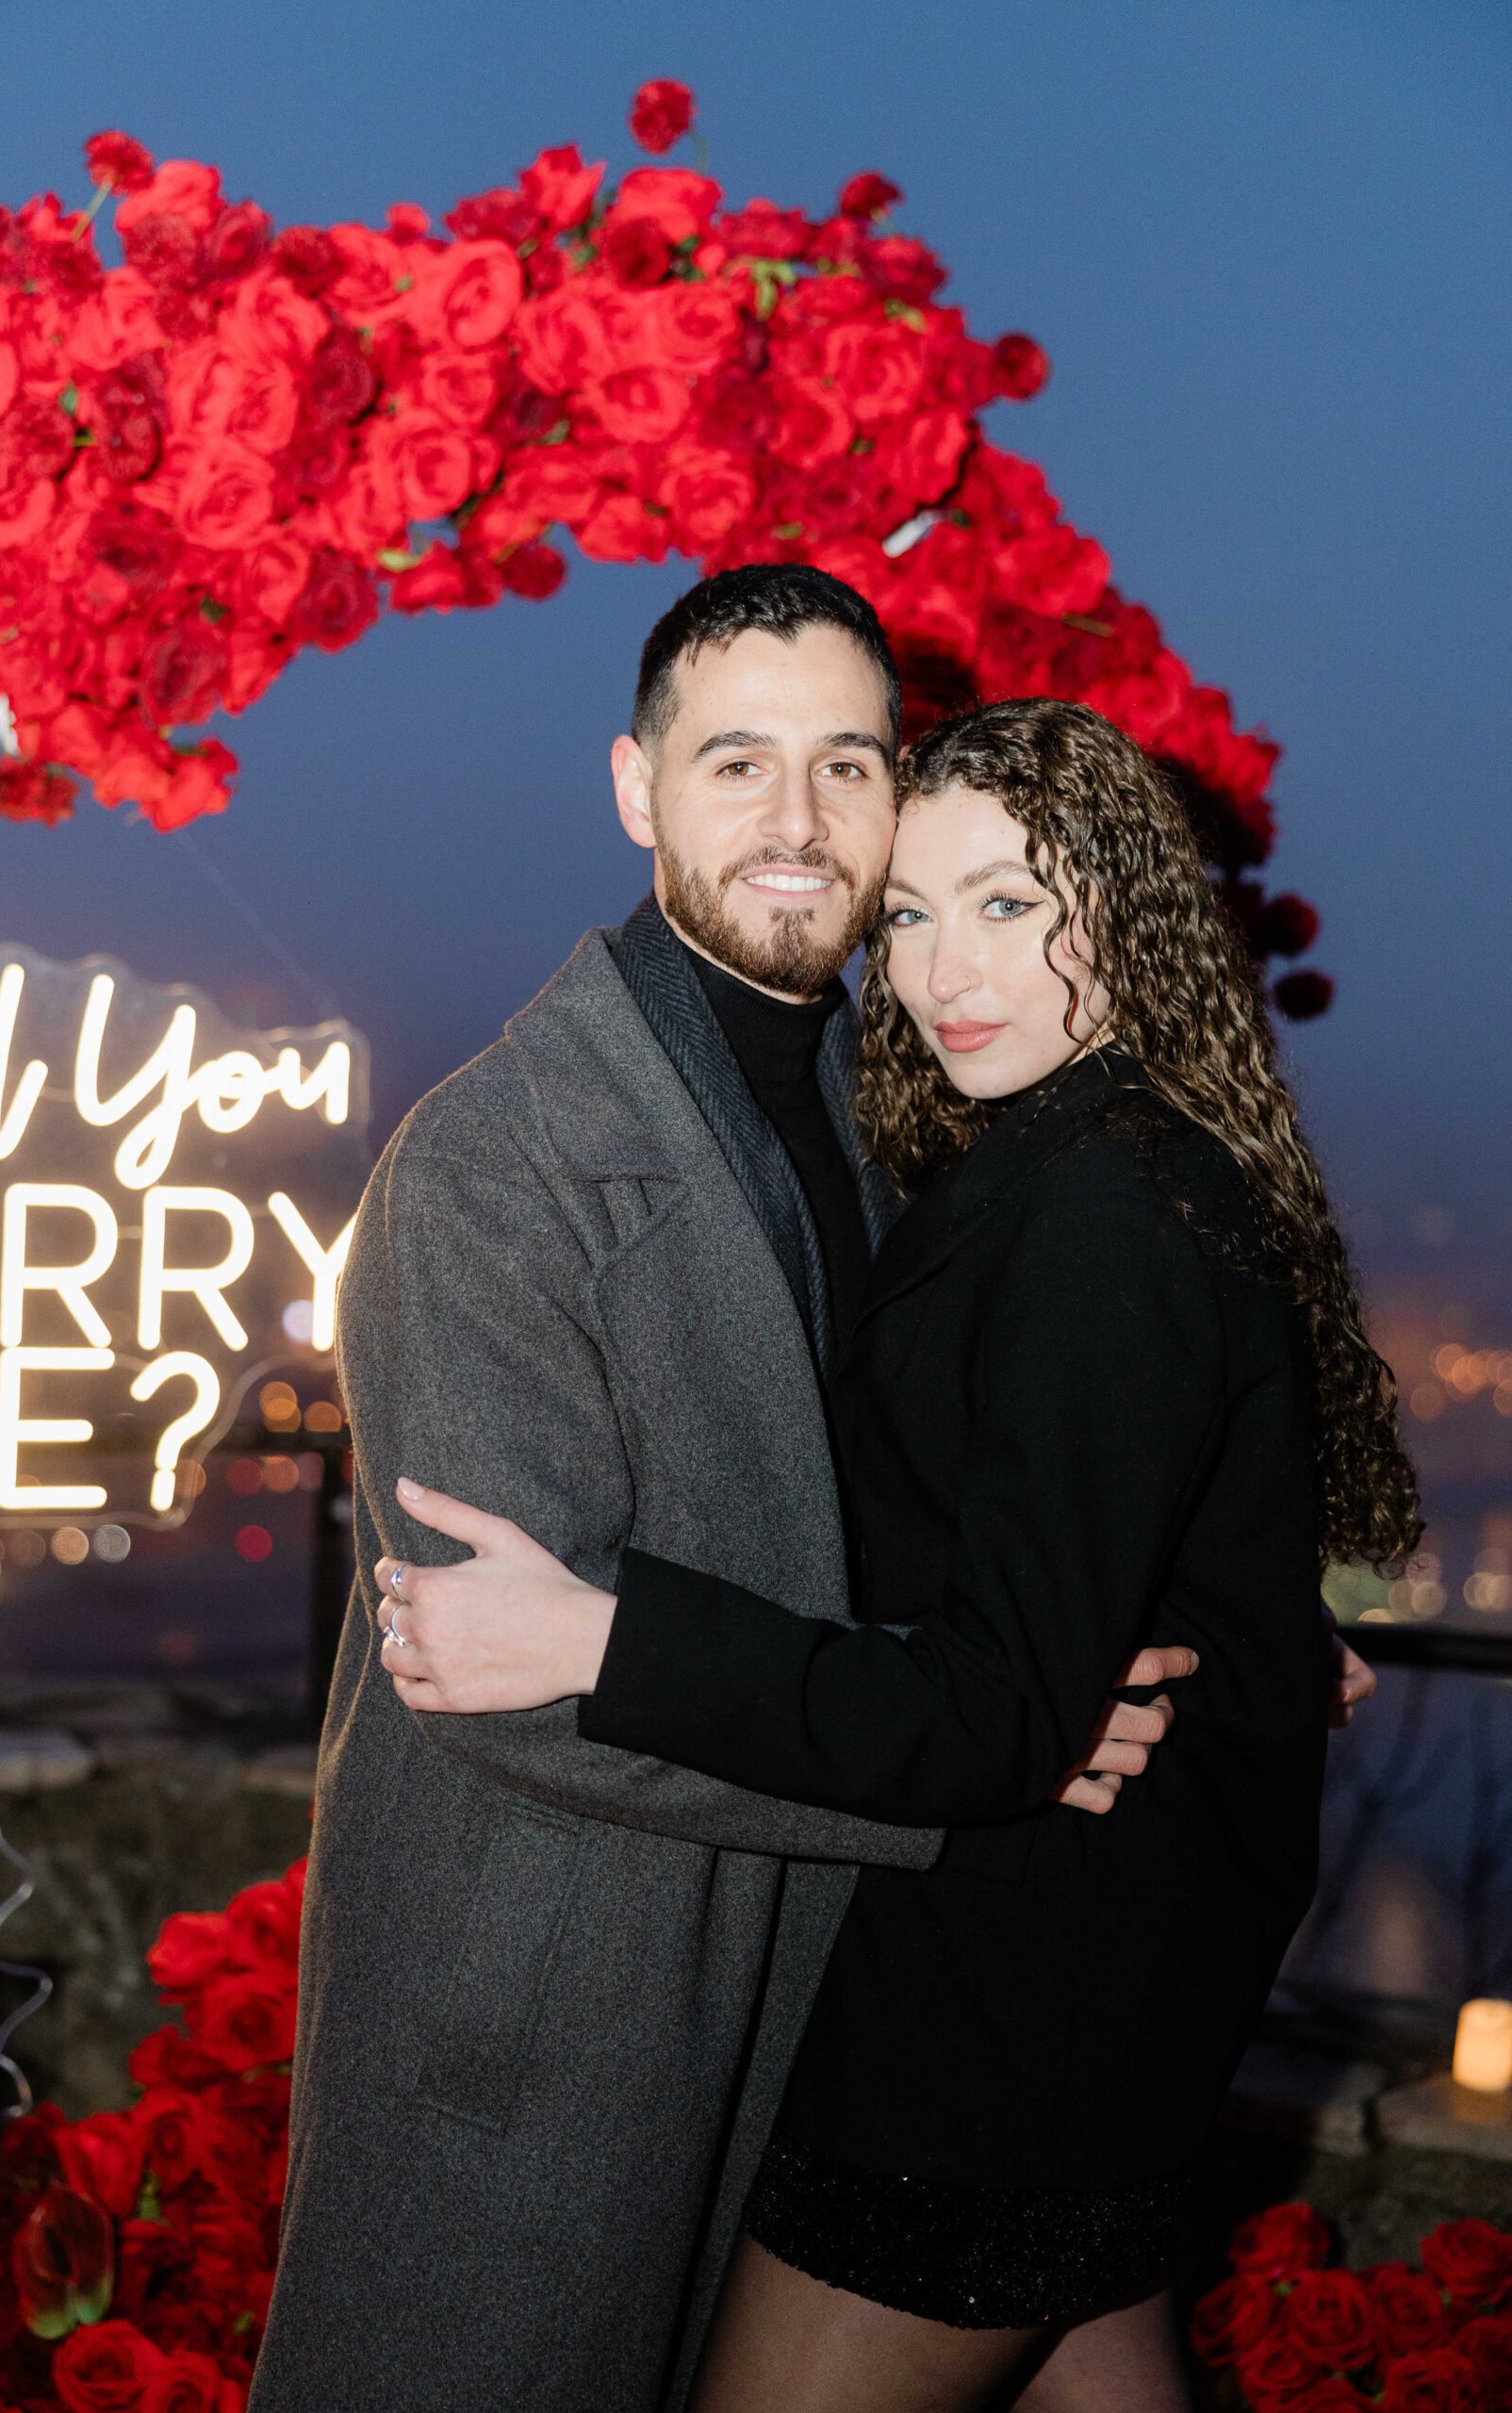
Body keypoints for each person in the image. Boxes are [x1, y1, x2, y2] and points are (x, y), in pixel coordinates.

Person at [371, 697, 1404, 2412]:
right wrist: (1247, 1631)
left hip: (1017, 2002)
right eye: (910, 915)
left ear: (1127, 909)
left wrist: (595, 1642)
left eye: (1008, 903)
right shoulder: (1085, 1152)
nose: (941, 972)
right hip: (1102, 1966)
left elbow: (1000, 1712)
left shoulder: (1101, 1211)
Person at [250, 576, 1205, 2413]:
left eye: (843, 763)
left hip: (792, 2003)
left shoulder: (896, 1105)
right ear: (634, 787)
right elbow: (513, 1684)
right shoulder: (488, 1166)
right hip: (549, 2015)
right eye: (734, 760)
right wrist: (974, 1765)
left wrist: (1210, 1615)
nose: (792, 821)